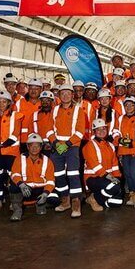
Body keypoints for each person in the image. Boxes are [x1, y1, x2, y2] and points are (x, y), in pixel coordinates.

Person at [45, 84, 85, 216]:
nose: (65, 95)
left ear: (72, 94)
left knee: (73, 174)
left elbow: (80, 132)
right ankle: (65, 200)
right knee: (58, 175)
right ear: (59, 95)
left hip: (72, 147)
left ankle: (76, 204)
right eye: (63, 93)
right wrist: (56, 143)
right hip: (57, 147)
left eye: (68, 93)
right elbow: (49, 129)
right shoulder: (54, 110)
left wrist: (67, 144)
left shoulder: (79, 110)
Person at [9, 133, 55, 221]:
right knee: (13, 186)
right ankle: (17, 211)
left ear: (41, 147)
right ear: (27, 146)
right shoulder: (20, 158)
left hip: (40, 191)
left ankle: (40, 204)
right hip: (25, 189)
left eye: (37, 146)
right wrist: (21, 184)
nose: (34, 148)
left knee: (55, 199)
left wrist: (45, 193)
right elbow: (15, 174)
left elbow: (50, 180)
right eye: (32, 146)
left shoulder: (47, 160)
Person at [82, 118, 123, 211]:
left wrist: (118, 177)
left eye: (103, 129)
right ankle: (93, 198)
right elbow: (95, 165)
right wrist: (110, 178)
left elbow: (115, 164)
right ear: (94, 132)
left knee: (117, 202)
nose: (101, 131)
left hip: (106, 178)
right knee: (114, 187)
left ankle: (101, 199)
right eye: (98, 129)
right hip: (92, 178)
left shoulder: (110, 145)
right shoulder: (89, 145)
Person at [115, 96, 135, 208]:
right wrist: (120, 140)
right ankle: (132, 194)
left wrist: (129, 143)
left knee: (134, 173)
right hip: (123, 151)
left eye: (131, 105)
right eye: (126, 105)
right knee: (127, 174)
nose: (129, 107)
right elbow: (115, 133)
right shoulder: (119, 119)